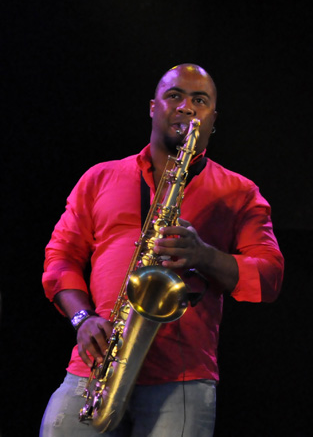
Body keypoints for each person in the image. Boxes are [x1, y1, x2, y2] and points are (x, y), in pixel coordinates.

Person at [40, 64, 284, 437]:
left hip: (182, 379)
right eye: (175, 96)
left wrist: (204, 254)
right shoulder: (99, 177)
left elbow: (269, 277)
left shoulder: (240, 192)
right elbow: (60, 259)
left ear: (212, 118)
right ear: (153, 107)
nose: (186, 107)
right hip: (95, 366)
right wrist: (82, 319)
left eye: (199, 100)